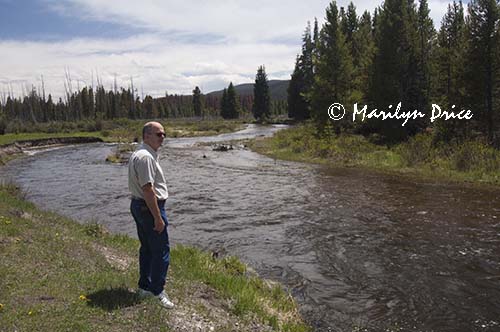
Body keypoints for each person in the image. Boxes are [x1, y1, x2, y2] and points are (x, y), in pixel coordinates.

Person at [128, 121, 174, 309]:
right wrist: (158, 217)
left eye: (163, 134)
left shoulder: (140, 154)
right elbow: (148, 189)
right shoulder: (146, 157)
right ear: (146, 136)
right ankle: (157, 291)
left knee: (147, 248)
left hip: (139, 206)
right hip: (149, 207)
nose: (162, 137)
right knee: (161, 250)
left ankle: (144, 287)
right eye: (158, 134)